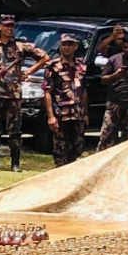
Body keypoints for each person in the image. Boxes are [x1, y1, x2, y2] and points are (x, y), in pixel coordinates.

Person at [0, 14, 49, 172]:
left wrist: (28, 71)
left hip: (13, 95)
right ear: (0, 27)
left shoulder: (20, 46)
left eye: (12, 26)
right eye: (7, 26)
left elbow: (45, 57)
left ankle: (15, 163)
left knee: (15, 131)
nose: (10, 29)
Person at [94, 24, 128, 150]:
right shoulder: (114, 59)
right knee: (106, 139)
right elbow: (103, 80)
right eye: (125, 47)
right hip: (114, 104)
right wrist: (115, 76)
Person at [41, 32, 88, 166]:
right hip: (61, 114)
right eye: (64, 44)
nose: (67, 47)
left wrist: (85, 113)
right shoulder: (53, 66)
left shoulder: (81, 65)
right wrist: (50, 116)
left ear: (76, 46)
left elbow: (83, 90)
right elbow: (47, 92)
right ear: (60, 46)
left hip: (77, 114)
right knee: (60, 149)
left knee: (77, 148)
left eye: (70, 44)